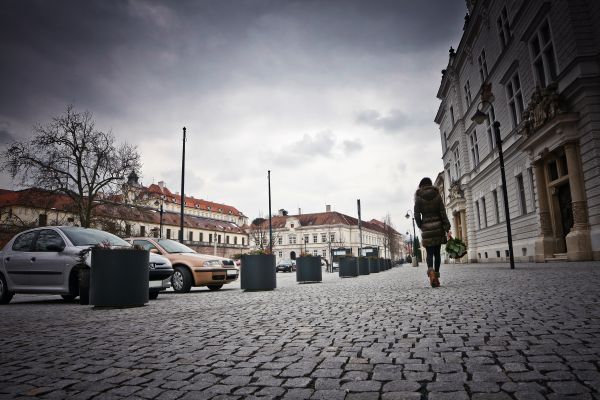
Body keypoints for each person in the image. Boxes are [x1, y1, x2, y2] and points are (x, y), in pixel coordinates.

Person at [414, 177, 451, 287]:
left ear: (421, 186)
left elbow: (416, 214)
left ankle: (431, 272)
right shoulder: (437, 195)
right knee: (437, 254)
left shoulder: (418, 197)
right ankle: (437, 277)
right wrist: (446, 226)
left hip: (427, 229)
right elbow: (442, 212)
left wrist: (421, 225)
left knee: (429, 254)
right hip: (438, 228)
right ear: (430, 184)